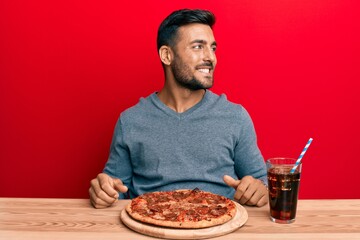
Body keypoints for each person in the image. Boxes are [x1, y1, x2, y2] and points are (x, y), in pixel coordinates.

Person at [89, 9, 268, 209]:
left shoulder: (235, 117)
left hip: (219, 229)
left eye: (213, 48)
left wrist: (261, 190)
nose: (210, 57)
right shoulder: (130, 121)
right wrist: (104, 191)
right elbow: (114, 190)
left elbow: (263, 185)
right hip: (150, 228)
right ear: (167, 55)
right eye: (198, 47)